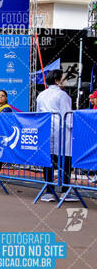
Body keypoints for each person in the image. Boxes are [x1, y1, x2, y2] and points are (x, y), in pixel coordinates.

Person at [37, 69, 76, 202]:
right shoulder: (63, 95)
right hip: (62, 132)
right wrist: (74, 129)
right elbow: (68, 116)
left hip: (46, 131)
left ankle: (49, 190)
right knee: (65, 161)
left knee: (48, 161)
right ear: (57, 80)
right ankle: (65, 191)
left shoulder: (41, 95)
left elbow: (38, 115)